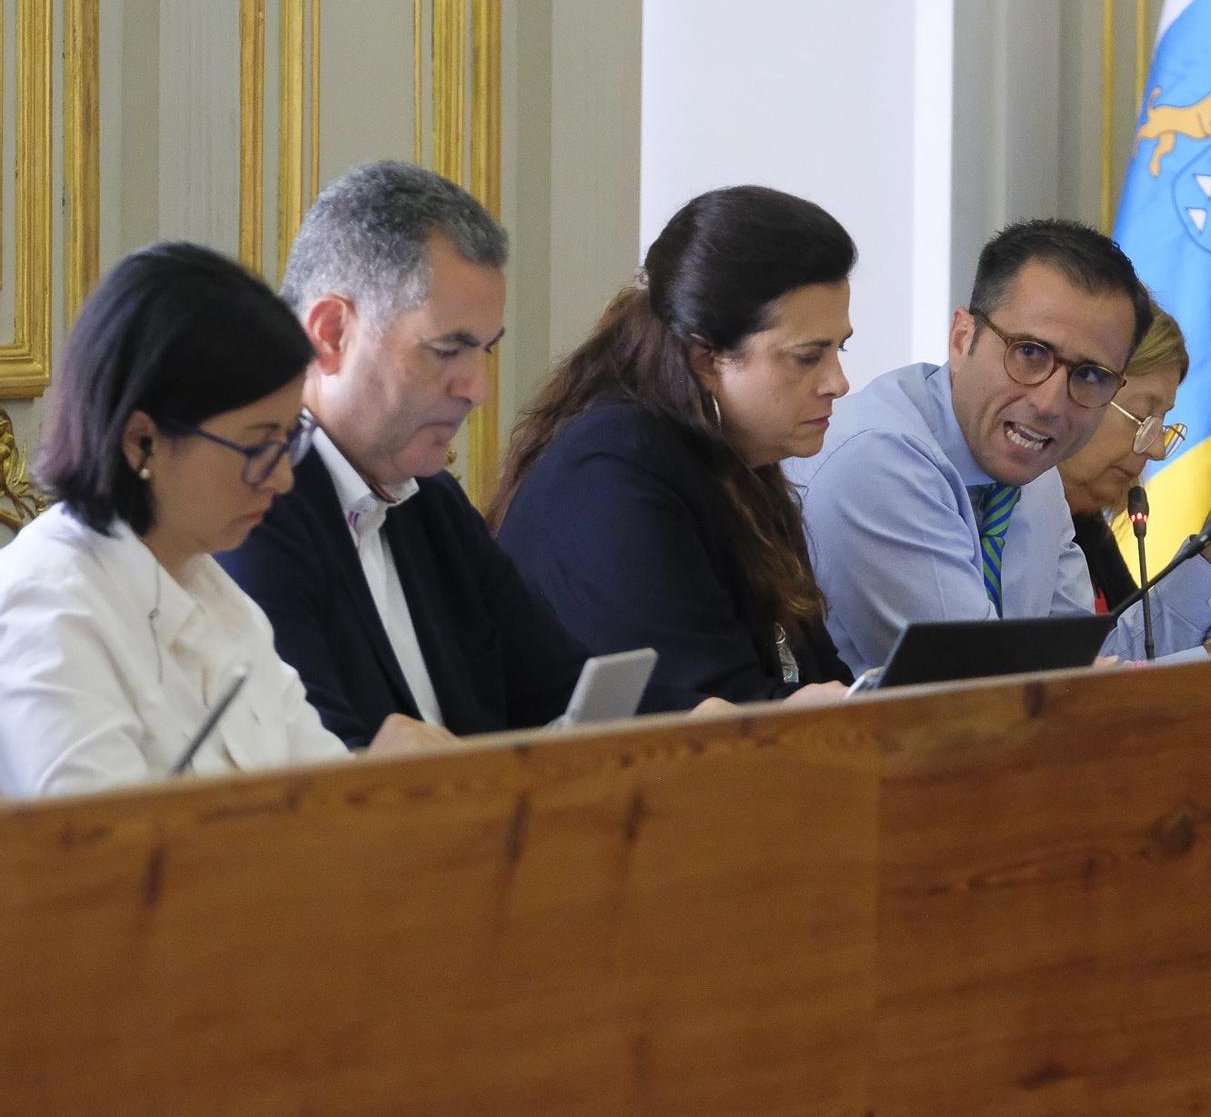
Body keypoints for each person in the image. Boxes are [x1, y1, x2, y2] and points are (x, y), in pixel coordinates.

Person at [0, 243, 450, 799]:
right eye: (259, 446)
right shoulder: (47, 611)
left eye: (290, 439)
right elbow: (103, 863)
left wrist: (372, 781)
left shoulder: (217, 595)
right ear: (143, 442)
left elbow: (314, 794)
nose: (284, 479)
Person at [791, 217, 1211, 673]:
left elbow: (1088, 665)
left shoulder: (1032, 475)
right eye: (1029, 353)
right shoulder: (880, 460)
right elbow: (986, 696)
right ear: (962, 339)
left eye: (1092, 376)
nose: (1052, 403)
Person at [219, 161, 589, 746]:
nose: (477, 389)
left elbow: (566, 695)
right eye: (448, 349)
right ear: (332, 333)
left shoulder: (432, 502)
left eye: (485, 351)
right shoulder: (251, 506)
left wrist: (685, 720)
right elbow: (307, 776)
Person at [491, 187, 857, 711]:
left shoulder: (733, 461)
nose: (838, 383)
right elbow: (704, 714)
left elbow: (808, 675)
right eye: (807, 357)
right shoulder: (611, 474)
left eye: (839, 348)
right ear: (706, 358)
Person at [1059, 306, 1190, 611]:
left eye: (1161, 423)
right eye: (1141, 416)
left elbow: (1144, 653)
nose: (1156, 450)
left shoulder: (1089, 530)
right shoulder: (989, 530)